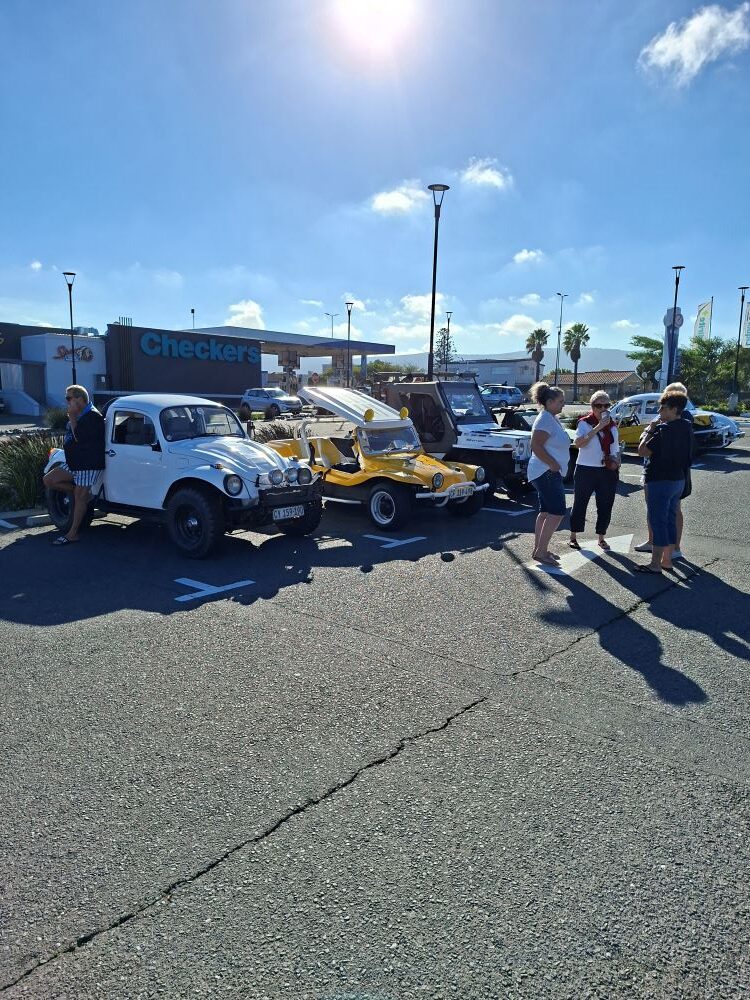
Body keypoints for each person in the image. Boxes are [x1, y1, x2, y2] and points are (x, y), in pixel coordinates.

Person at [634, 381, 693, 559]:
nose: (659, 410)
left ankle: (661, 557)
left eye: (663, 406)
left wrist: (651, 432)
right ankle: (665, 553)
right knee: (665, 513)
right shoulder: (685, 425)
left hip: (662, 476)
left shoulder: (668, 426)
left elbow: (643, 450)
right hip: (675, 477)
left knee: (662, 516)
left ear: (675, 408)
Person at [42, 385, 105, 546]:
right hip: (74, 462)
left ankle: (73, 533)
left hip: (87, 464)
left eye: (69, 398)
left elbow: (79, 438)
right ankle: (86, 497)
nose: (67, 402)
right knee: (49, 480)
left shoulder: (92, 416)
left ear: (79, 399)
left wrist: (71, 418)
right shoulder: (81, 415)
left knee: (79, 497)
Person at [568, 390, 621, 551]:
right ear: (592, 407)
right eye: (599, 405)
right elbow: (579, 443)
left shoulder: (612, 425)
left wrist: (617, 459)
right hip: (586, 468)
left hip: (607, 469)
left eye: (606, 405)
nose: (603, 408)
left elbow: (615, 446)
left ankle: (601, 537)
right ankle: (573, 536)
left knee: (605, 504)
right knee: (580, 503)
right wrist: (598, 427)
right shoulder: (584, 423)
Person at [527, 382, 569, 565]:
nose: (563, 404)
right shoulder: (545, 419)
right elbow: (535, 445)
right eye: (560, 401)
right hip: (546, 471)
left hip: (545, 471)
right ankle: (541, 551)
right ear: (550, 401)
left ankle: (539, 549)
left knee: (545, 512)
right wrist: (553, 464)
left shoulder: (550, 417)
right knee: (557, 512)